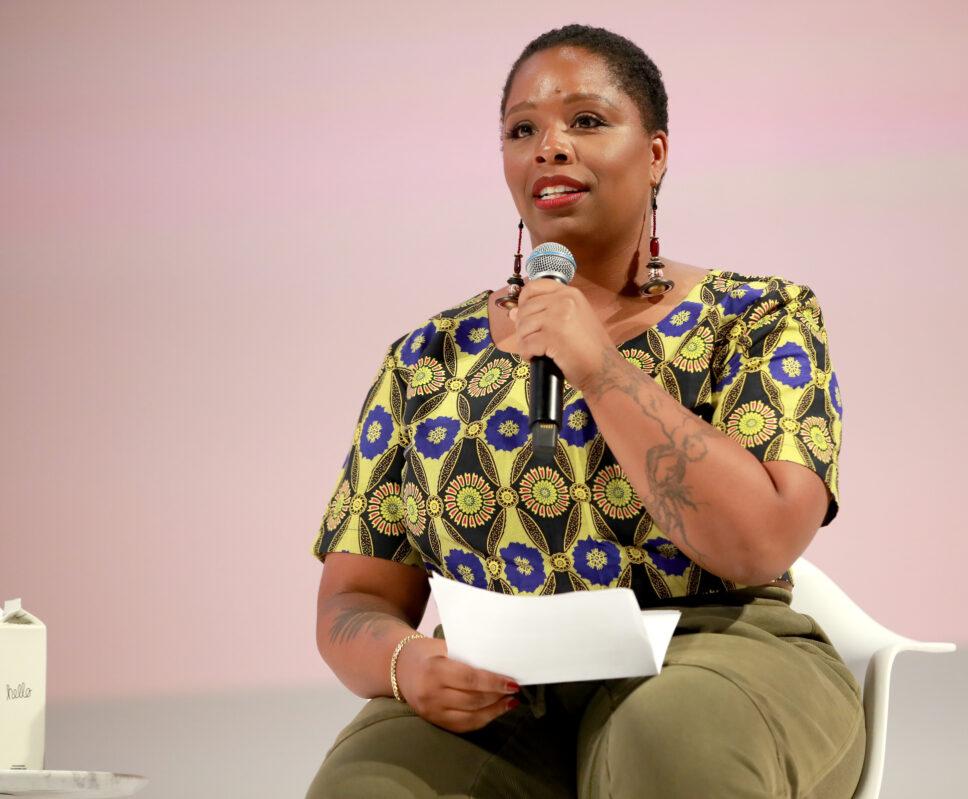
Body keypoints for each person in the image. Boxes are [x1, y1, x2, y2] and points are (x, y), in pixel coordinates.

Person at [306, 23, 864, 799]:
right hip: (503, 692)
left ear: (657, 153)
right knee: (369, 784)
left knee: (668, 737)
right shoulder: (428, 357)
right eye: (522, 129)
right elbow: (356, 597)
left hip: (721, 658)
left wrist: (598, 366)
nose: (550, 147)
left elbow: (760, 541)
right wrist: (405, 661)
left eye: (587, 121)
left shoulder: (760, 318)